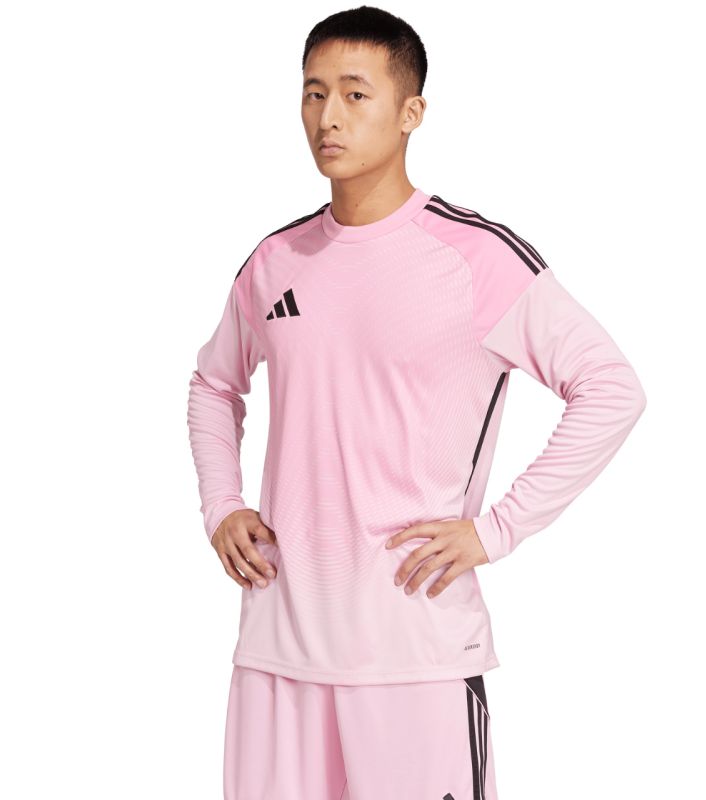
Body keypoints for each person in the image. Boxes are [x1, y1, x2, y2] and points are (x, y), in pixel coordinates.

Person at [187, 6, 647, 799]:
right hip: (278, 649)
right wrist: (222, 506)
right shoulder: (274, 260)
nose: (328, 116)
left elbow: (611, 388)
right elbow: (213, 385)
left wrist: (497, 530)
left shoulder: (476, 257)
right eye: (313, 93)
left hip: (414, 654)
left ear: (410, 113)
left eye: (354, 93)